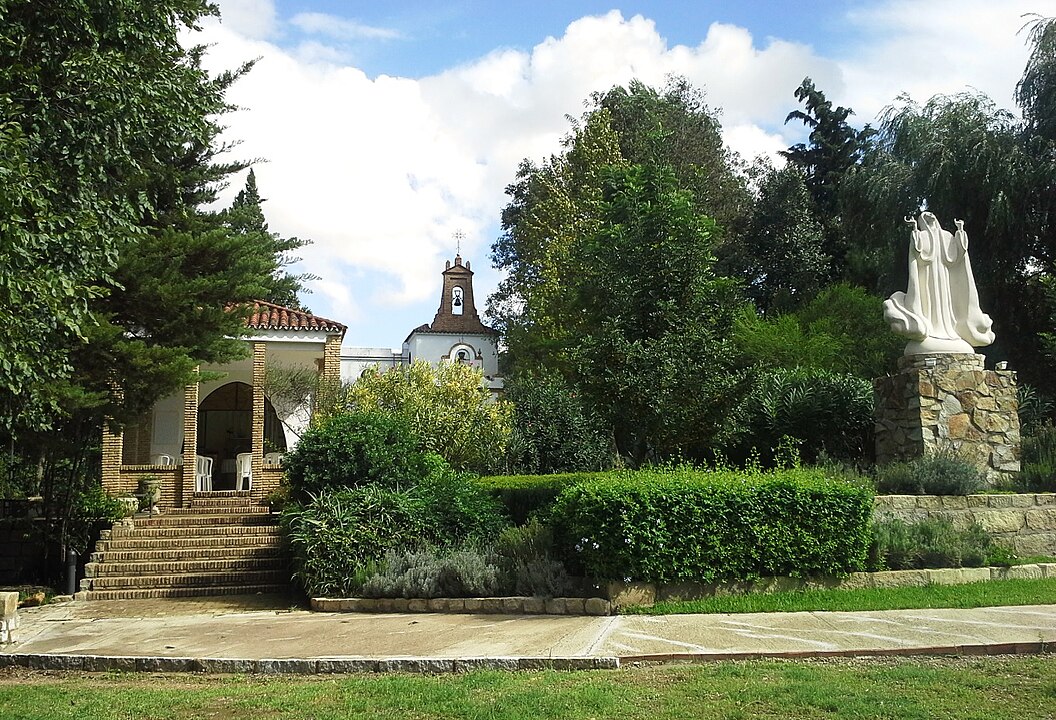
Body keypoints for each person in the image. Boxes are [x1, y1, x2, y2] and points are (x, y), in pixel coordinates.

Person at [883, 212, 994, 354]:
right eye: (926, 217)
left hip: (944, 278)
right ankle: (934, 330)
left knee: (946, 306)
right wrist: (915, 230)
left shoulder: (946, 236)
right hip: (927, 278)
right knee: (929, 305)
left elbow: (957, 256)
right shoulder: (922, 236)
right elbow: (919, 254)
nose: (930, 217)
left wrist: (960, 231)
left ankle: (948, 332)